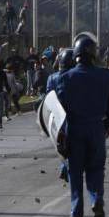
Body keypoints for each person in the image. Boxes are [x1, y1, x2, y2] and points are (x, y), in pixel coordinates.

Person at [56, 34, 109, 217]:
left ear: (75, 54)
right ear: (93, 55)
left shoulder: (66, 78)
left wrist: (60, 135)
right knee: (96, 169)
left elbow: (58, 110)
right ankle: (97, 199)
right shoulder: (106, 77)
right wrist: (108, 127)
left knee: (75, 172)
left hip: (74, 129)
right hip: (97, 129)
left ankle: (77, 211)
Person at [47, 49, 75, 183]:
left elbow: (48, 98)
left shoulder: (52, 78)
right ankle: (67, 168)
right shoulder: (76, 76)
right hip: (73, 117)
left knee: (62, 146)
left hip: (57, 118)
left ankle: (64, 167)